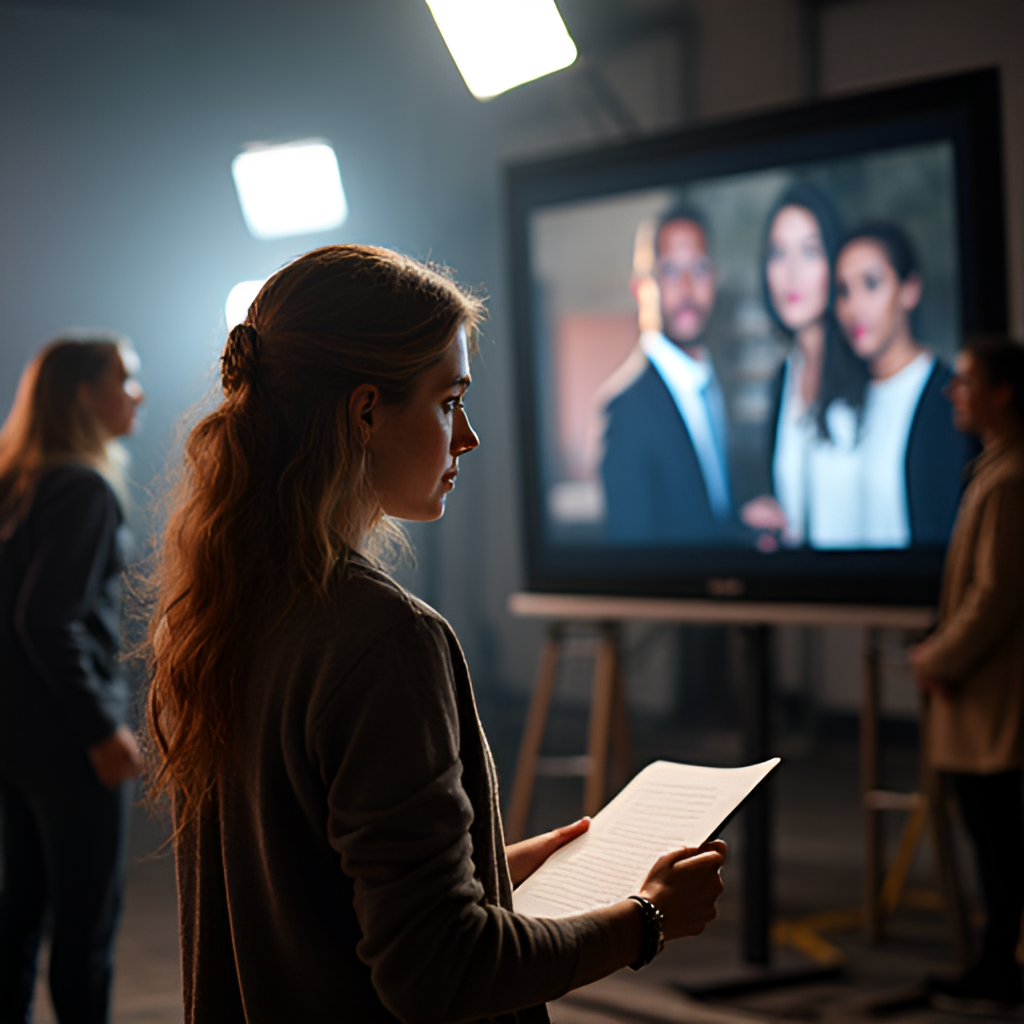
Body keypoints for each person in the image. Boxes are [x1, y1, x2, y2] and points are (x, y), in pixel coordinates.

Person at [144, 245, 727, 1023]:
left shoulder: (222, 610)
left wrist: (491, 868)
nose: (468, 437)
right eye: (449, 400)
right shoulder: (385, 641)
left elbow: (314, 895)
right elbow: (439, 973)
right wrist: (643, 920)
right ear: (364, 413)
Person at [0, 335, 145, 1024]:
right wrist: (101, 730)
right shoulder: (83, 487)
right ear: (84, 394)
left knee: (16, 920)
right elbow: (47, 620)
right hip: (66, 744)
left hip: (12, 739)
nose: (137, 392)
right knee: (85, 935)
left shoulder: (13, 481)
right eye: (126, 378)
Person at [909, 334, 1024, 1014]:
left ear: (1002, 391)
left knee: (998, 839)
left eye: (968, 379)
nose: (955, 390)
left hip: (989, 696)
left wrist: (936, 658)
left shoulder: (1010, 479)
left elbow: (993, 596)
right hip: (981, 692)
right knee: (993, 837)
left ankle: (997, 966)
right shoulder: (996, 470)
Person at [813, 222, 976, 549]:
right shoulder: (844, 401)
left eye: (871, 284)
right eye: (844, 291)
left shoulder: (950, 399)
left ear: (909, 289)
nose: (854, 308)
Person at [739, 182, 869, 549]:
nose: (791, 273)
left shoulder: (869, 371)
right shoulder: (782, 380)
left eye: (810, 252)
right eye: (778, 253)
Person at [600, 204, 737, 544]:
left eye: (700, 269)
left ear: (716, 278)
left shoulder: (711, 381)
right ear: (640, 288)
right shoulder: (623, 412)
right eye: (671, 271)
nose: (688, 288)